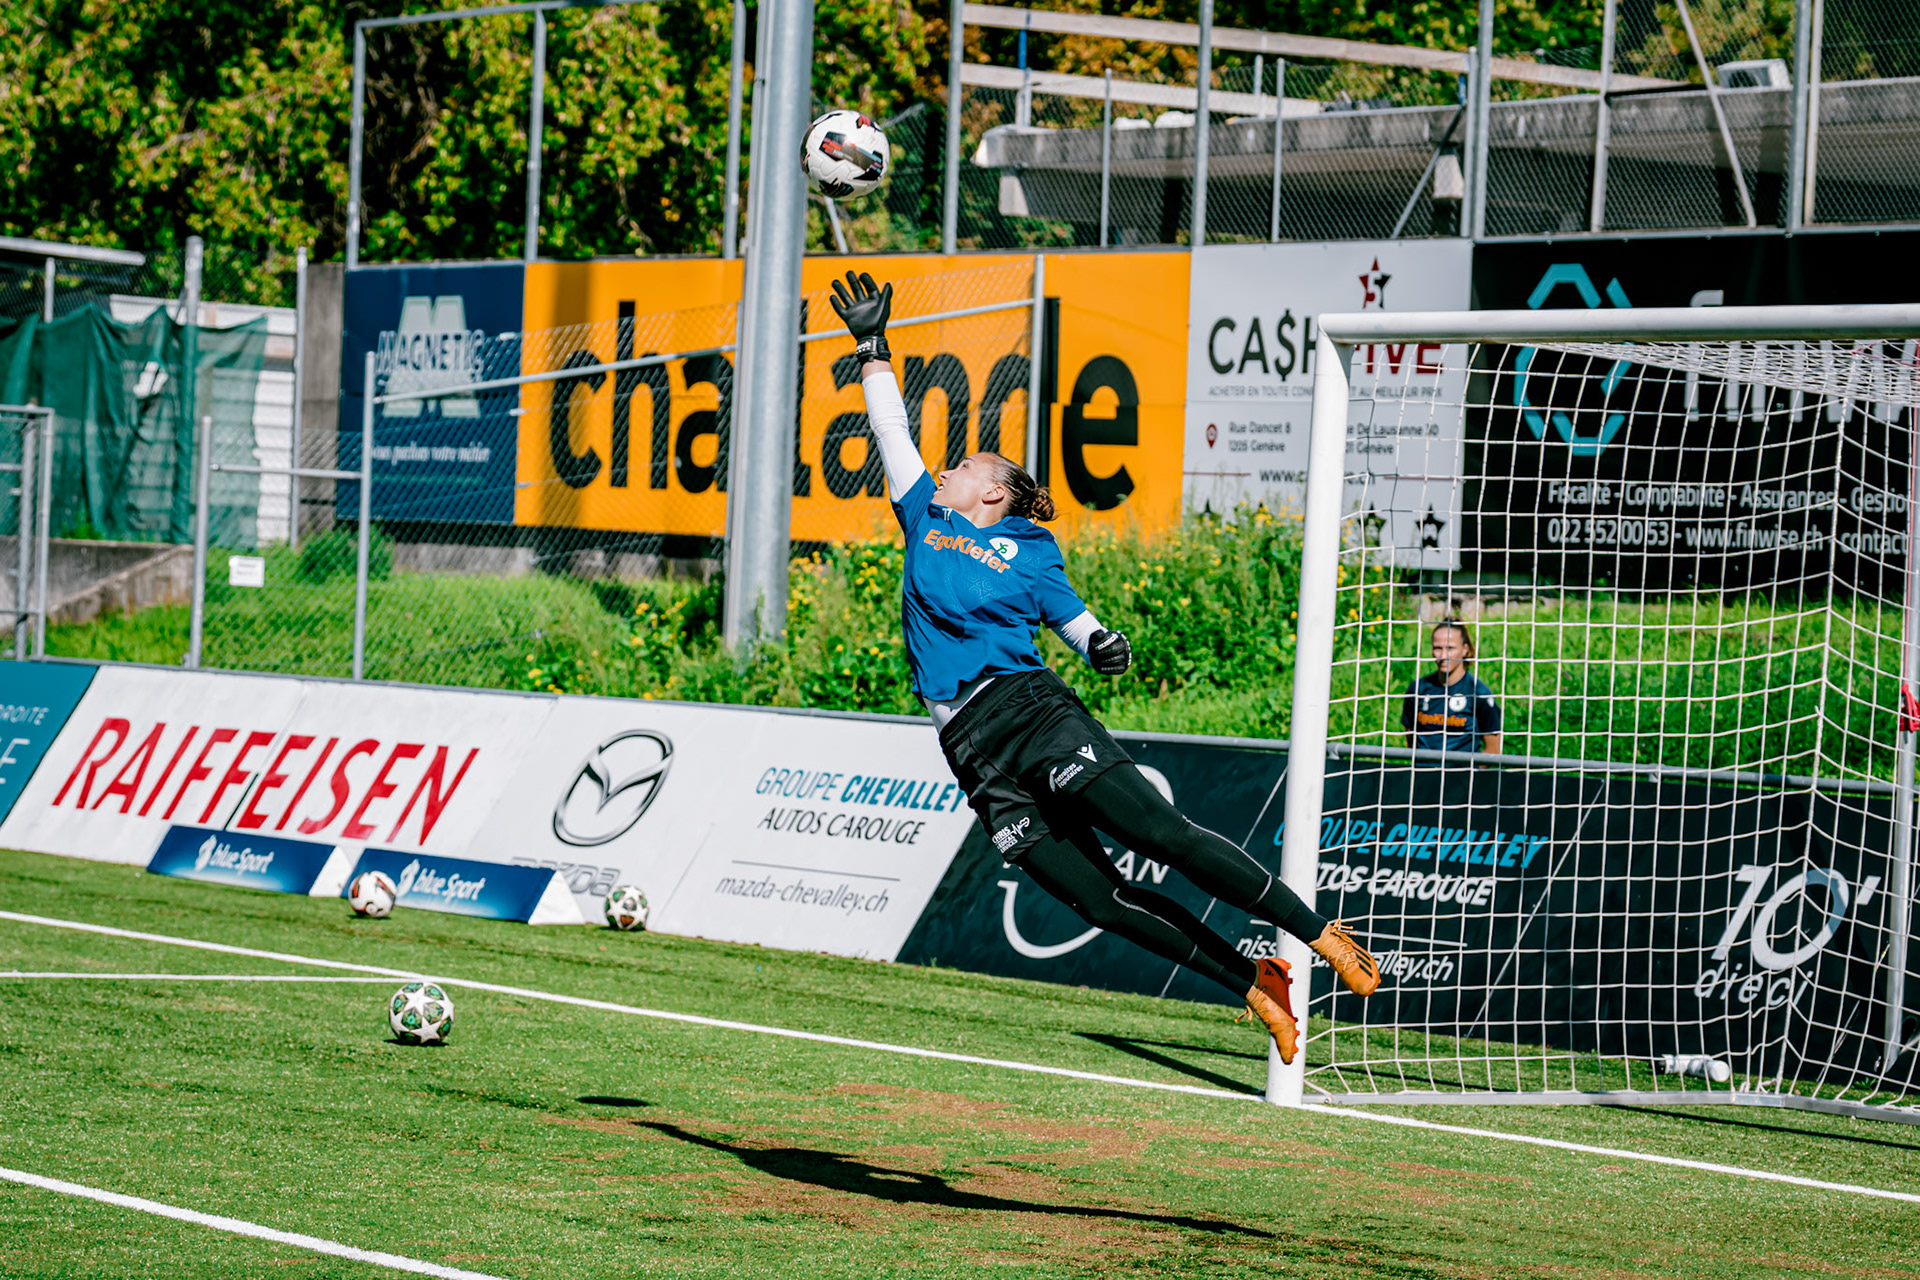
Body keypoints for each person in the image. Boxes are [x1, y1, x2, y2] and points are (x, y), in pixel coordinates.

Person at [832, 271, 1379, 1064]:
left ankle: (1320, 933)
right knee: (1100, 900)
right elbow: (890, 431)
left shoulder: (1029, 549)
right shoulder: (923, 513)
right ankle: (1255, 981)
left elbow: (1075, 621)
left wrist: (1101, 646)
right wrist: (872, 344)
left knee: (1160, 834)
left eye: (961, 468)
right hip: (971, 750)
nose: (942, 470)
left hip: (1028, 711)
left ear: (994, 492)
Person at [1402, 620, 1502, 757]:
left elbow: (1493, 751)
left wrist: (1466, 776)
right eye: (1437, 648)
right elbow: (1411, 740)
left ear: (1465, 650)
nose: (1443, 656)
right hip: (1422, 775)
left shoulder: (1479, 694)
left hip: (1461, 776)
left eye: (1450, 648)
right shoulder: (1418, 689)